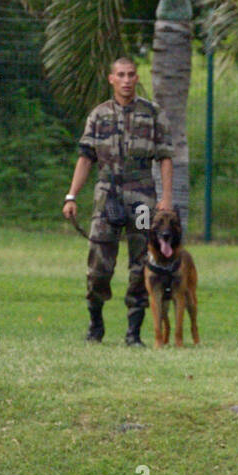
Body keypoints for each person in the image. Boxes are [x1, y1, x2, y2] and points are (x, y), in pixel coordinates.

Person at [63, 57, 174, 347]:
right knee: (99, 264)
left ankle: (133, 333)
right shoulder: (98, 116)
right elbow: (85, 157)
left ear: (137, 78)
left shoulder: (152, 114)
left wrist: (166, 199)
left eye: (131, 75)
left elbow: (165, 158)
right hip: (107, 196)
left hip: (141, 200)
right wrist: (71, 196)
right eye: (121, 75)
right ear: (111, 79)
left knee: (141, 264)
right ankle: (95, 324)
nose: (126, 80)